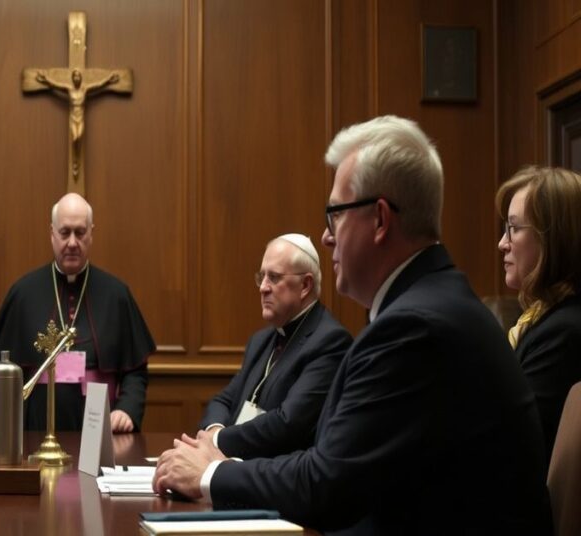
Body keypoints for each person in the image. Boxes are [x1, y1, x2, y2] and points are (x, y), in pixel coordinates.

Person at [153, 116, 552, 533]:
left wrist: (210, 475)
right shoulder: (429, 304)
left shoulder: (416, 327)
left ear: (380, 220)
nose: (327, 238)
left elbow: (328, 486)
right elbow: (331, 460)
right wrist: (223, 466)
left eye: (335, 216)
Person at [0, 193, 155, 433]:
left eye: (80, 232)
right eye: (65, 233)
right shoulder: (23, 293)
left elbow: (136, 371)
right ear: (52, 233)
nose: (72, 242)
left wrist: (127, 409)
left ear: (91, 233)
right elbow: (4, 373)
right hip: (36, 429)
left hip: (102, 429)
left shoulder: (116, 295)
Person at [200, 234, 350, 459]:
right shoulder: (261, 340)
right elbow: (224, 400)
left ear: (305, 285)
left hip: (277, 479)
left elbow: (288, 423)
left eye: (274, 277)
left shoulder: (330, 341)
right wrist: (214, 430)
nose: (263, 288)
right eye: (262, 277)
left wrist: (217, 441)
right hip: (233, 462)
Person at [497, 166, 581, 462]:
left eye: (514, 228)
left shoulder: (564, 332)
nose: (502, 243)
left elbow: (515, 446)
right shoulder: (540, 319)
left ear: (553, 239)